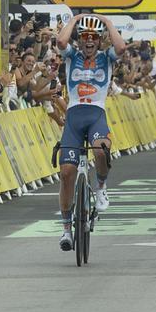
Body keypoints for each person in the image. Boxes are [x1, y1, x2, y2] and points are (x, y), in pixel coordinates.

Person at [54, 14, 125, 252]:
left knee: (101, 150)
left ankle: (101, 187)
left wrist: (108, 23)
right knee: (66, 173)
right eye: (85, 36)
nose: (89, 41)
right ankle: (66, 229)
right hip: (74, 116)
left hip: (96, 114)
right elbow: (61, 43)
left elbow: (121, 46)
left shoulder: (107, 57)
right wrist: (74, 20)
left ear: (100, 39)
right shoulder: (71, 55)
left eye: (93, 37)